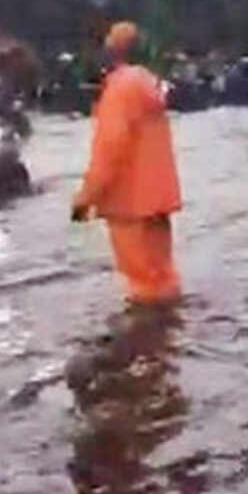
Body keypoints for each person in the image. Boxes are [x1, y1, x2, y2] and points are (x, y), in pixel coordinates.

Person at [72, 21, 182, 305]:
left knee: (142, 283)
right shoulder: (148, 84)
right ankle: (170, 337)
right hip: (157, 202)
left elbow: (110, 149)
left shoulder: (119, 91)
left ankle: (147, 342)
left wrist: (86, 197)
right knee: (163, 275)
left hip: (129, 204)